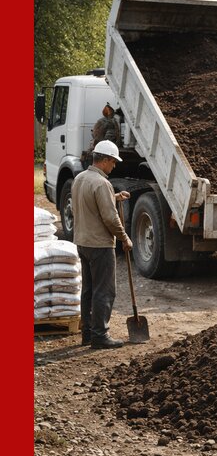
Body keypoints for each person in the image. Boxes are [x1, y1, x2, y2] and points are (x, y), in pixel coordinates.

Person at [71, 140, 133, 349]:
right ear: (105, 160)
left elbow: (88, 202)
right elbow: (110, 218)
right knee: (104, 291)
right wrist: (124, 238)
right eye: (113, 162)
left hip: (83, 242)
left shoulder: (80, 178)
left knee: (88, 290)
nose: (114, 166)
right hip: (100, 245)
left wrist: (113, 197)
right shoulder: (101, 183)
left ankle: (88, 334)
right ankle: (100, 336)